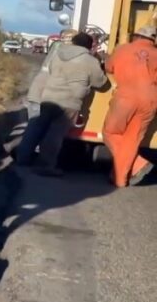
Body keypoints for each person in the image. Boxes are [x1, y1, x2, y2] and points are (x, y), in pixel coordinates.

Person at [17, 32, 107, 175]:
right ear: (89, 46)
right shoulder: (89, 60)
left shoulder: (58, 54)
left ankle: (22, 159)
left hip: (48, 97)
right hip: (69, 102)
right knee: (55, 135)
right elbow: (101, 82)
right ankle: (45, 166)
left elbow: (51, 71)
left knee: (36, 128)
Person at [102, 24, 157, 187]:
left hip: (125, 97)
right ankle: (120, 180)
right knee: (132, 140)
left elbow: (108, 67)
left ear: (136, 36)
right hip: (151, 100)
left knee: (110, 133)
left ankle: (139, 164)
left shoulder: (122, 49)